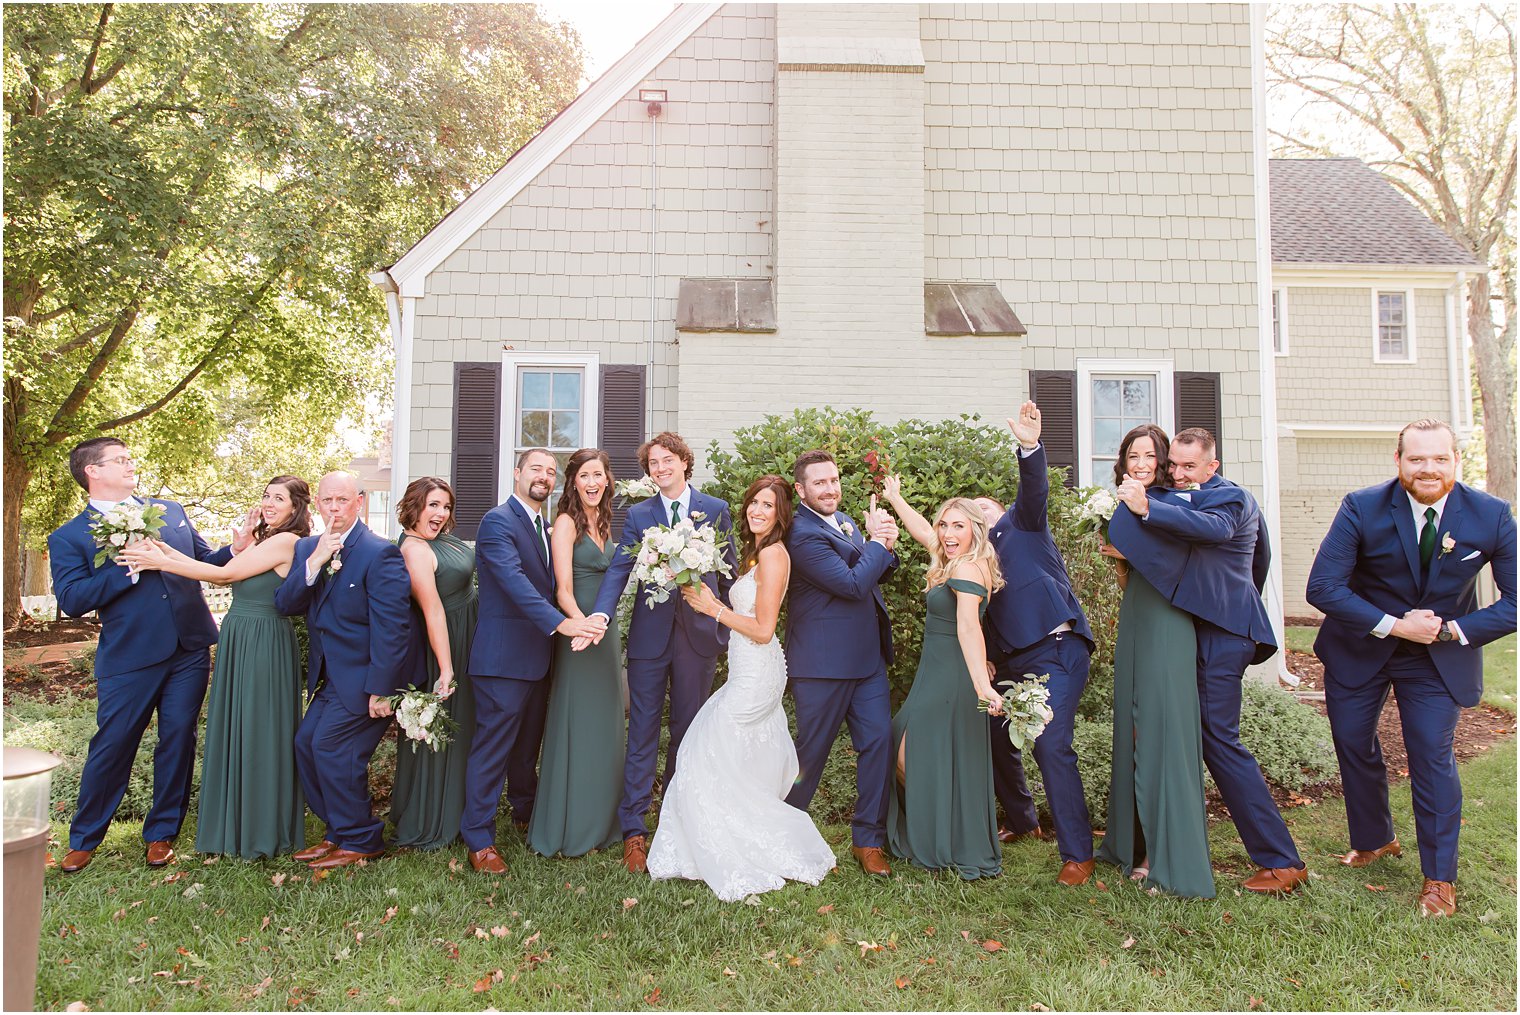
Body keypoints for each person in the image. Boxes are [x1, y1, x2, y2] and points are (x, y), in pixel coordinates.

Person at [1307, 418, 1516, 918]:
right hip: (1363, 644)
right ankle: (1375, 839)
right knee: (1354, 743)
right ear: (1398, 461)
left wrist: (1448, 631)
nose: (1428, 468)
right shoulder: (1362, 506)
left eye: (1439, 458)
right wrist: (1396, 625)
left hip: (1437, 657)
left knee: (1431, 755)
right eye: (1417, 458)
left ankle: (1439, 878)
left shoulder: (1490, 514)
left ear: (1455, 462)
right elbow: (1323, 587)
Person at [1110, 426, 1307, 895]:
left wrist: (1147, 508)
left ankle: (1283, 862)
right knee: (1185, 735)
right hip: (1194, 632)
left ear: (1212, 466)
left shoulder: (1231, 498)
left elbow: (1226, 539)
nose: (1177, 474)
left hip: (1226, 635)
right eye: (1172, 464)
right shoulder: (1184, 496)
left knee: (1218, 740)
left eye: (1188, 466)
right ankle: (1158, 844)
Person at [647, 475, 836, 899]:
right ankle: (725, 836)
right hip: (747, 669)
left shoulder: (773, 556)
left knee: (705, 748)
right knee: (729, 754)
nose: (757, 510)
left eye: (767, 505)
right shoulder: (757, 554)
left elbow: (765, 629)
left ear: (781, 513)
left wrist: (715, 608)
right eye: (753, 503)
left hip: (758, 671)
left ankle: (734, 842)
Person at [50, 438, 234, 873]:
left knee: (178, 739)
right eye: (120, 459)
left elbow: (205, 559)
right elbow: (73, 598)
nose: (130, 464)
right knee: (113, 745)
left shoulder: (169, 511)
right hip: (129, 656)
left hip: (188, 648)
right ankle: (84, 838)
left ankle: (161, 834)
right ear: (92, 471)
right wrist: (126, 566)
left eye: (130, 458)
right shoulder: (70, 536)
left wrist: (238, 548)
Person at [120, 476, 311, 861]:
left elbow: (223, 575)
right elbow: (213, 564)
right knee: (238, 727)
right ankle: (235, 825)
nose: (269, 503)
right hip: (240, 637)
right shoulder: (263, 539)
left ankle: (261, 830)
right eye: (266, 495)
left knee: (258, 729)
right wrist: (160, 548)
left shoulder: (286, 541)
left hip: (262, 642)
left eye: (279, 498)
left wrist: (161, 562)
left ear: (296, 508)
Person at [585, 432, 736, 874]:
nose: (659, 468)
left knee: (688, 732)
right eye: (652, 463)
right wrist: (602, 616)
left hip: (699, 639)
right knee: (643, 733)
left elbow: (725, 573)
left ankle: (675, 819)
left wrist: (723, 625)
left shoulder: (715, 509)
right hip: (650, 640)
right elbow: (619, 570)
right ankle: (634, 830)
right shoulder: (640, 514)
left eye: (666, 460)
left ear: (684, 462)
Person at [460, 449, 606, 874]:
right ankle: (479, 839)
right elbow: (514, 583)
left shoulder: (547, 526)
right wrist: (562, 625)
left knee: (526, 751)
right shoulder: (497, 522)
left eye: (550, 471)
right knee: (492, 750)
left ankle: (525, 814)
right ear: (517, 473)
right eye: (536, 469)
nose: (544, 476)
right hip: (502, 659)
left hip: (539, 660)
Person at [974, 402, 1099, 885]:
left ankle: (1078, 855)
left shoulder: (1022, 526)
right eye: (970, 515)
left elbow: (1034, 491)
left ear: (1000, 510)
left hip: (1055, 651)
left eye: (984, 507)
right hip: (1009, 662)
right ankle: (1024, 821)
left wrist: (1029, 446)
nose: (979, 516)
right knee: (990, 732)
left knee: (1050, 742)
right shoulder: (975, 563)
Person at [1094, 425, 1215, 898]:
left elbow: (1178, 568)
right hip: (1136, 617)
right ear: (1122, 462)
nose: (1140, 462)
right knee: (1135, 729)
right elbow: (1135, 577)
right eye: (1132, 454)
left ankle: (1166, 860)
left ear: (1162, 460)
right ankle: (1130, 843)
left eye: (1149, 455)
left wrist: (1135, 545)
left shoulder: (1175, 502)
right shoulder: (1122, 502)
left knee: (1164, 734)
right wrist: (1123, 561)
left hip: (1168, 624)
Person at [274, 472, 412, 870]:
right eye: (327, 501)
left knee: (334, 750)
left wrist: (383, 689)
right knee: (306, 745)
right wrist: (315, 563)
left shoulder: (378, 552)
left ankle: (362, 838)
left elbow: (393, 628)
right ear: (316, 504)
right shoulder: (306, 549)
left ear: (359, 502)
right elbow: (286, 604)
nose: (333, 508)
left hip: (366, 678)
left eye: (342, 500)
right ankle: (338, 830)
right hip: (330, 676)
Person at [878, 484, 1006, 879]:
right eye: (944, 525)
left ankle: (945, 836)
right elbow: (922, 532)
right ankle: (944, 831)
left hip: (953, 672)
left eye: (959, 526)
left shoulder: (967, 567)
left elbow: (969, 628)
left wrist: (982, 686)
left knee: (908, 749)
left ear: (975, 531)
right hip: (937, 668)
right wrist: (896, 498)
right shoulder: (956, 556)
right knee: (919, 749)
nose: (948, 534)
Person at [784, 450, 900, 876]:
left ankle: (868, 840)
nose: (830, 489)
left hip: (867, 661)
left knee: (878, 745)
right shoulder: (799, 533)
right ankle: (782, 833)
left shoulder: (847, 521)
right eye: (820, 483)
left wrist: (884, 545)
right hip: (821, 664)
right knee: (808, 757)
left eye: (834, 480)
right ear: (801, 490)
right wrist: (876, 545)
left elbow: (870, 572)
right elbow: (852, 584)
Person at [528, 449, 624, 858]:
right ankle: (569, 825)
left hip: (606, 631)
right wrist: (583, 625)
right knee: (577, 722)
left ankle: (604, 823)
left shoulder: (606, 522)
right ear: (573, 482)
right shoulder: (565, 523)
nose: (591, 482)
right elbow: (562, 590)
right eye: (584, 475)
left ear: (606, 481)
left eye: (598, 475)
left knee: (605, 724)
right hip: (579, 632)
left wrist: (601, 624)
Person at [389, 477, 478, 851]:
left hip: (468, 628)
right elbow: (432, 609)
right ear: (414, 507)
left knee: (467, 728)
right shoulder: (415, 550)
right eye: (433, 506)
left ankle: (458, 811)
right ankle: (433, 817)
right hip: (449, 640)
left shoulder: (437, 539)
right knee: (450, 728)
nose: (441, 514)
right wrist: (446, 667)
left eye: (445, 506)